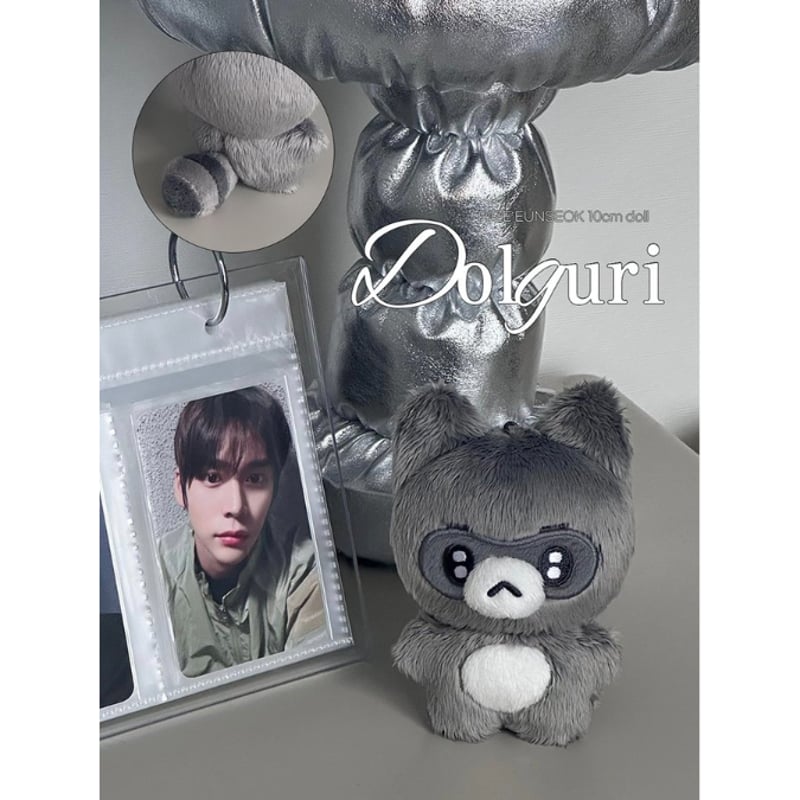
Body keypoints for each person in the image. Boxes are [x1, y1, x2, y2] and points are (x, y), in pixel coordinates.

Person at [158, 387, 325, 677]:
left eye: (255, 479)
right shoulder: (150, 576)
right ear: (180, 488)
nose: (236, 506)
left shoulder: (304, 571)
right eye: (213, 477)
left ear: (274, 490)